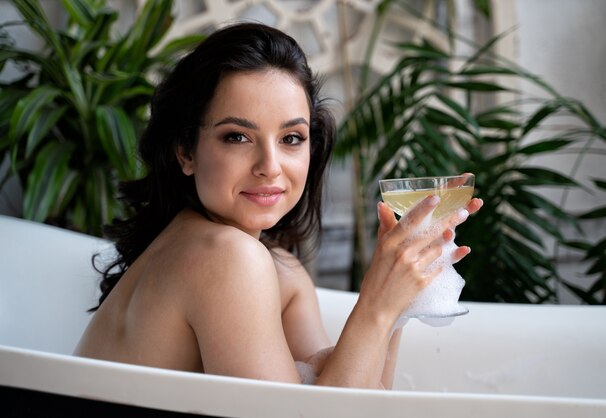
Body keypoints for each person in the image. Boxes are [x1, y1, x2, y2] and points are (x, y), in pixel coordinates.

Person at [74, 22, 482, 389]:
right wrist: (375, 304)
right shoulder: (227, 258)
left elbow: (359, 398)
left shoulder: (277, 268)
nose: (270, 167)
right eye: (237, 136)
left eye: (291, 139)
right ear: (186, 151)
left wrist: (395, 299)